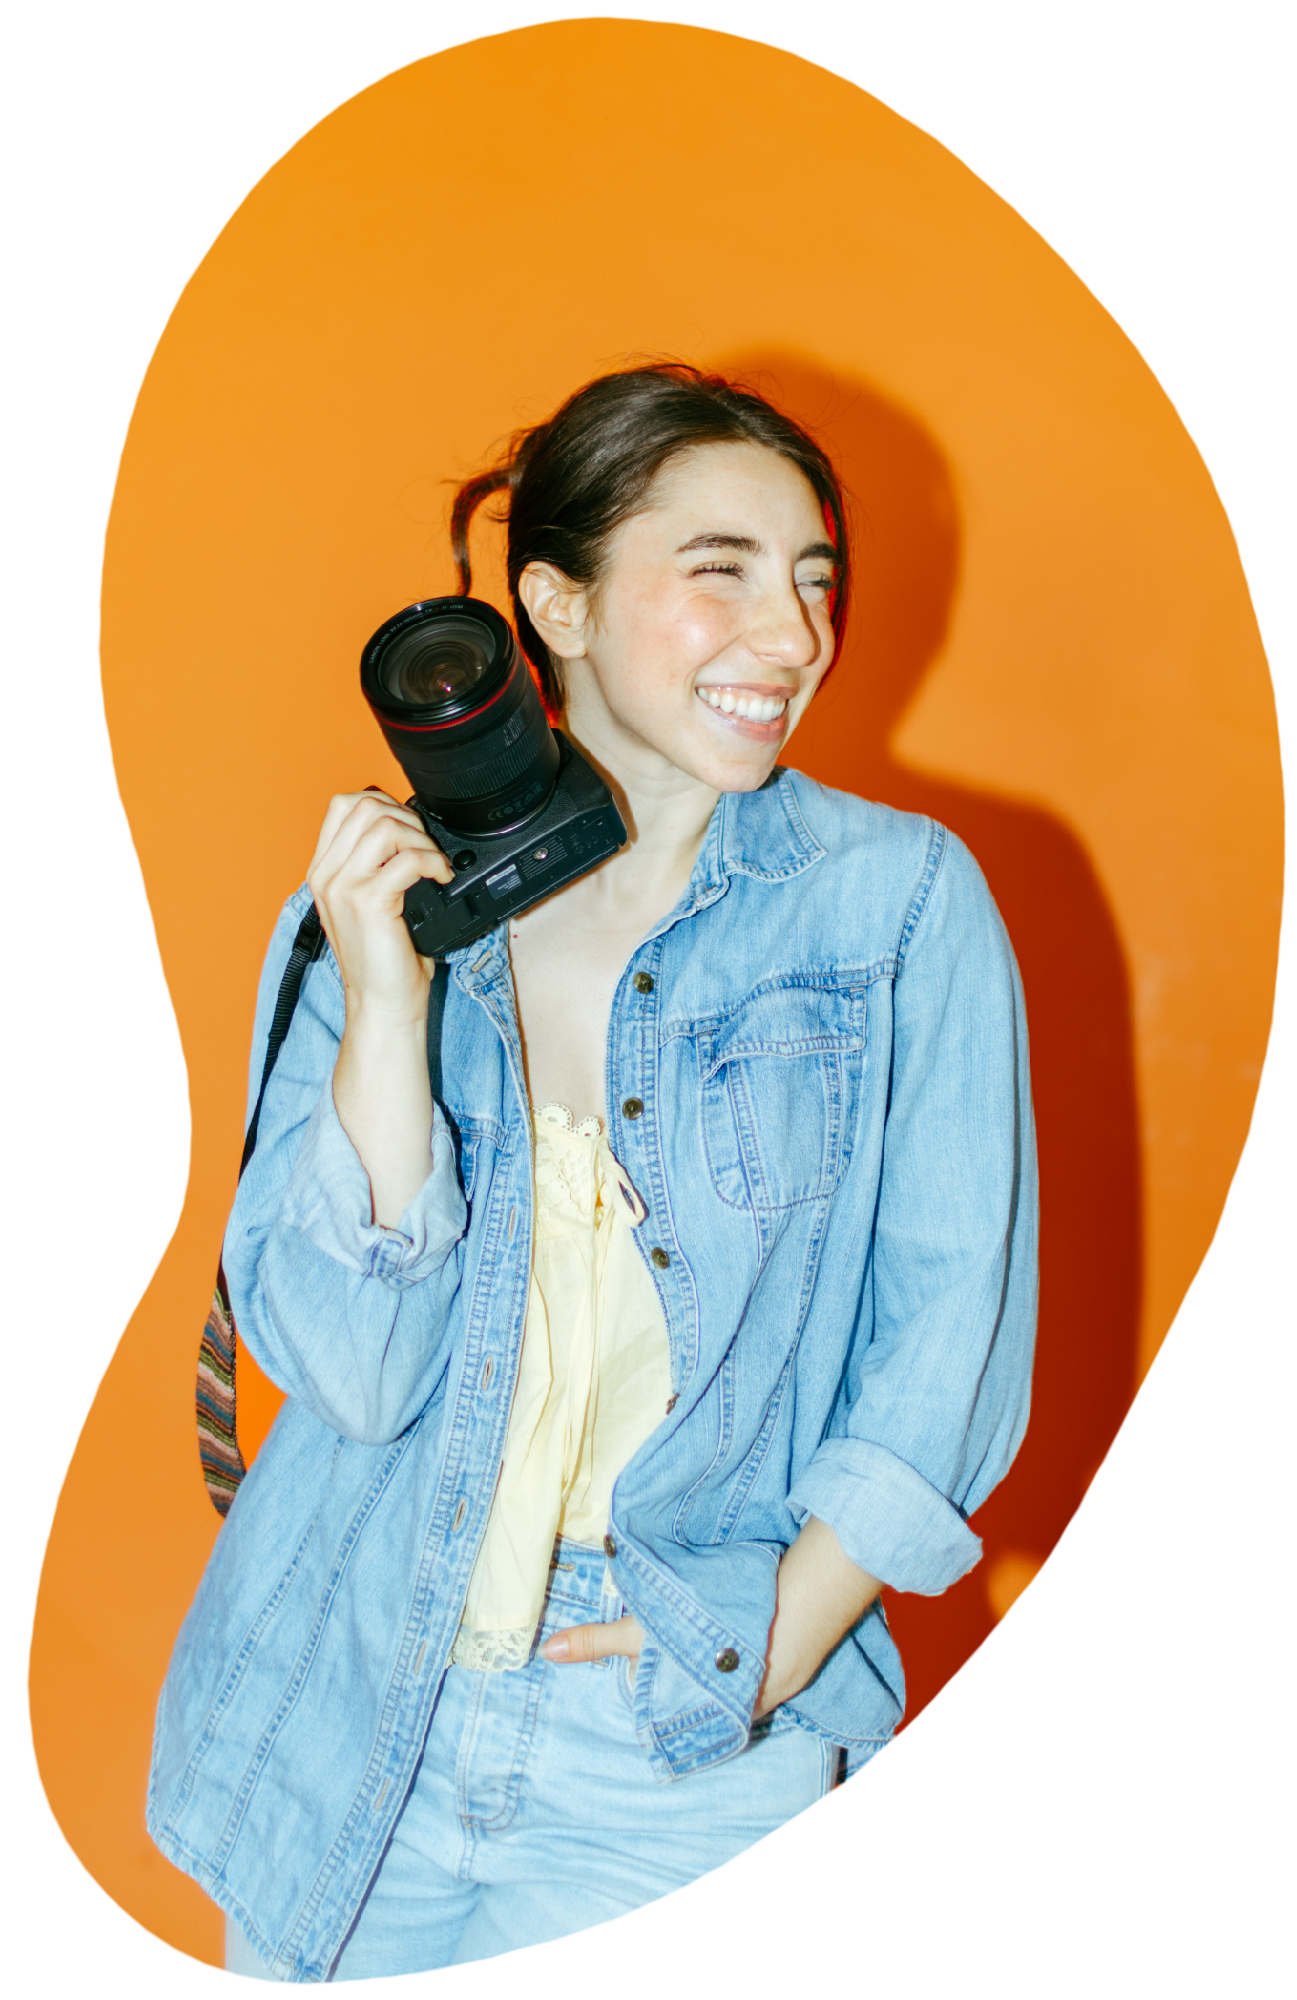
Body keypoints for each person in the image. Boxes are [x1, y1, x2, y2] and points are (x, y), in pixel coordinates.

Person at [148, 362, 1039, 1990]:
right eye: (721, 573)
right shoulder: (386, 919)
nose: (790, 634)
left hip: (683, 1739)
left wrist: (757, 1649)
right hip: (356, 1700)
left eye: (813, 579)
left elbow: (944, 1364)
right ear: (548, 606)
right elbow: (346, 1372)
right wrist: (383, 1005)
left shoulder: (896, 908)